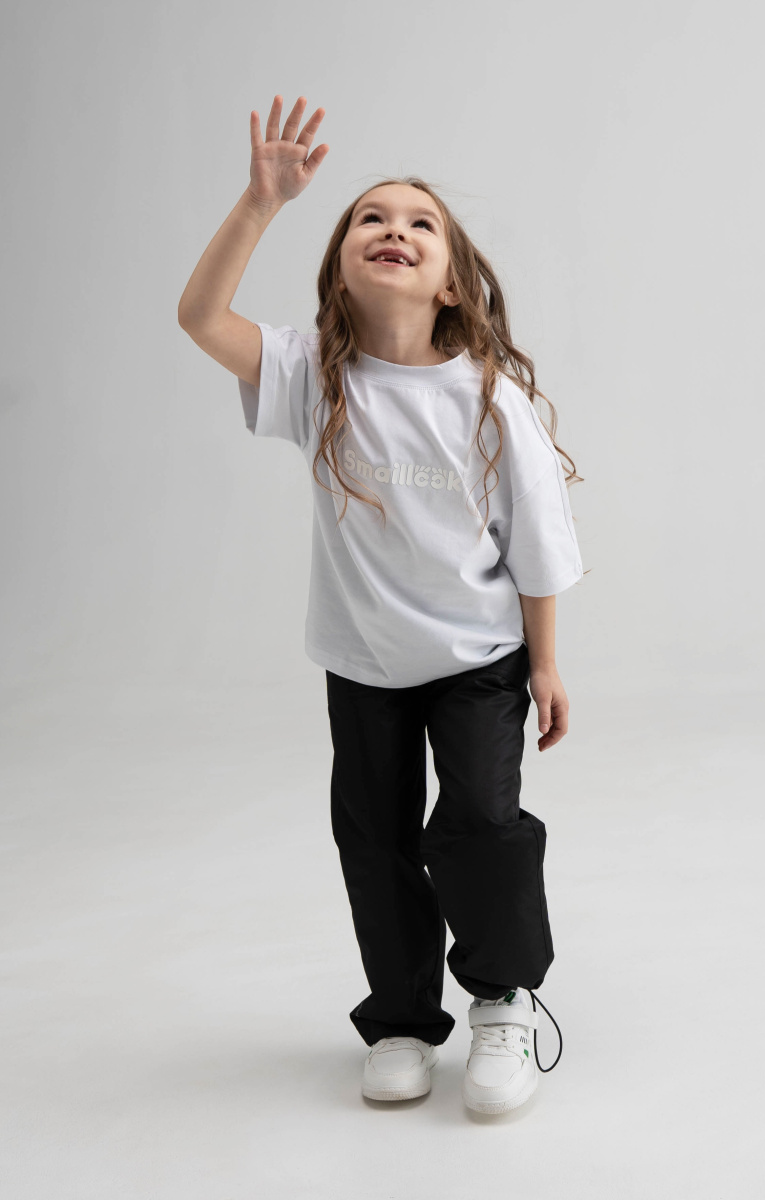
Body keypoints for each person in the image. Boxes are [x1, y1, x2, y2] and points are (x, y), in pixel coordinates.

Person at [178, 94, 588, 1115]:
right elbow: (200, 319)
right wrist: (260, 203)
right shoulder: (313, 377)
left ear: (450, 281)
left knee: (481, 825)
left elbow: (538, 545)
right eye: (370, 217)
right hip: (364, 663)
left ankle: (502, 999)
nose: (392, 228)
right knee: (375, 840)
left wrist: (544, 663)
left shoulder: (489, 401)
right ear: (341, 270)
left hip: (479, 658)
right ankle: (403, 1018)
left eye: (418, 223)